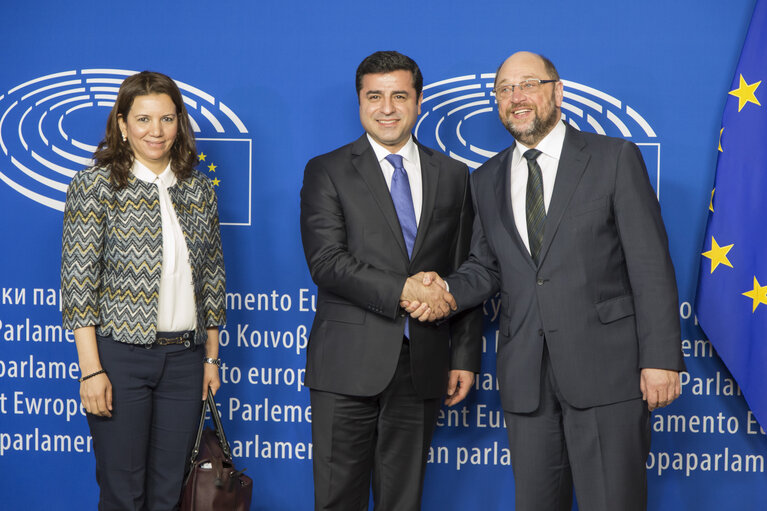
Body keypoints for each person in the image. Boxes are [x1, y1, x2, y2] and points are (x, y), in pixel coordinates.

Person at [404, 51, 686, 511]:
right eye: (504, 89)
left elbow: (650, 264)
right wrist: (447, 290)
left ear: (558, 91)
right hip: (526, 378)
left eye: (528, 84)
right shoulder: (486, 178)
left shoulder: (613, 158)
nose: (516, 97)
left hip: (608, 373)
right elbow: (487, 267)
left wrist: (661, 358)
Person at [299, 50, 482, 511]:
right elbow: (327, 262)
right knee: (338, 500)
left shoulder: (455, 175)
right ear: (359, 102)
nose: (387, 108)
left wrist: (463, 355)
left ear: (418, 102)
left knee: (403, 501)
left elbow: (465, 269)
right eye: (374, 96)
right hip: (346, 367)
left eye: (399, 96)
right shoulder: (328, 170)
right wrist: (406, 290)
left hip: (421, 363)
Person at [61, 71, 226, 510]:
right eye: (144, 119)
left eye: (167, 119)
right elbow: (79, 285)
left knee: (170, 492)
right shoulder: (95, 187)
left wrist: (210, 357)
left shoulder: (197, 189)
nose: (156, 131)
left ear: (179, 123)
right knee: (123, 493)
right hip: (120, 360)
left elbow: (212, 277)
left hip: (185, 362)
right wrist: (91, 371)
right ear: (122, 124)